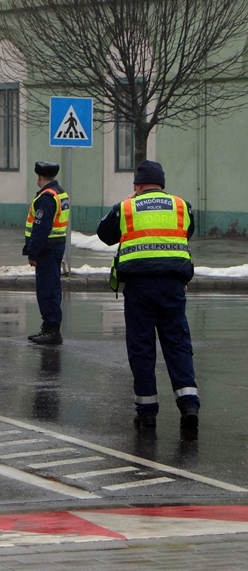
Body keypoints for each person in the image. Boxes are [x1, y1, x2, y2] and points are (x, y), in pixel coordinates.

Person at [96, 160, 200, 431]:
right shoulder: (181, 205)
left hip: (139, 288)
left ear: (138, 185)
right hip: (173, 286)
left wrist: (126, 202)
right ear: (162, 184)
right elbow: (186, 232)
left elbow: (104, 234)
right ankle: (189, 404)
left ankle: (147, 412)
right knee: (177, 344)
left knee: (142, 348)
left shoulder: (127, 207)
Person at [23, 161, 69, 345]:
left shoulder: (47, 197)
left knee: (47, 290)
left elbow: (41, 228)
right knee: (52, 288)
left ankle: (52, 330)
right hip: (55, 247)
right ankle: (49, 327)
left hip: (47, 249)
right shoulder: (60, 192)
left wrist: (32, 251)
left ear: (39, 177)